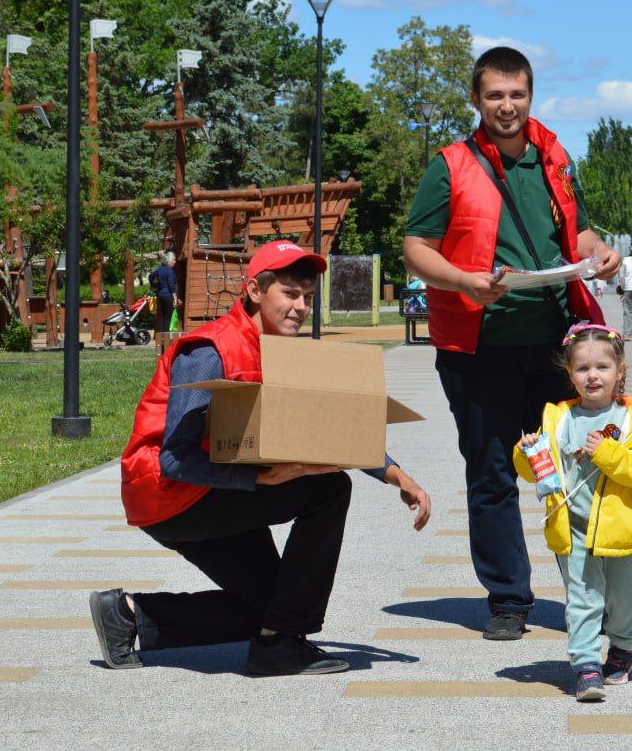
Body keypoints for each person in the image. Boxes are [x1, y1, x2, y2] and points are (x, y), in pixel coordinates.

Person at [92, 241, 432, 676]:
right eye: (289, 294)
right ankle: (277, 647)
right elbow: (174, 460)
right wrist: (263, 481)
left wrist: (395, 474)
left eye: (307, 297)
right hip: (169, 497)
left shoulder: (284, 351)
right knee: (328, 489)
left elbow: (328, 428)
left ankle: (127, 615)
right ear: (255, 290)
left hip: (210, 491)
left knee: (276, 605)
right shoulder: (209, 350)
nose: (301, 307)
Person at [403, 45, 620, 640]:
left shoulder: (554, 157)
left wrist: (597, 254)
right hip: (479, 347)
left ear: (531, 96)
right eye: (494, 95)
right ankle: (507, 601)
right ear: (476, 100)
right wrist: (465, 281)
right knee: (494, 472)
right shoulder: (450, 165)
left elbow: (575, 233)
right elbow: (417, 247)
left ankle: (591, 599)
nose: (506, 106)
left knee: (575, 468)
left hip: (554, 343)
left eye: (516, 94)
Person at [514, 324, 632, 701]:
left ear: (620, 370)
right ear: (569, 374)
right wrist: (525, 451)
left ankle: (621, 648)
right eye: (582, 369)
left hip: (620, 531)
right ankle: (584, 666)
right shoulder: (559, 418)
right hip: (573, 530)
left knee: (623, 600)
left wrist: (607, 452)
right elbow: (535, 469)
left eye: (602, 367)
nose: (593, 376)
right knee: (582, 601)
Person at [149, 252, 178, 334]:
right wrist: (175, 297)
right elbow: (171, 284)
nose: (175, 261)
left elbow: (150, 276)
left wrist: (154, 286)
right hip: (169, 296)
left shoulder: (160, 269)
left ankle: (161, 338)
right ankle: (167, 338)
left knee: (162, 317)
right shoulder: (169, 270)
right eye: (173, 260)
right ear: (169, 261)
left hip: (161, 296)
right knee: (168, 318)